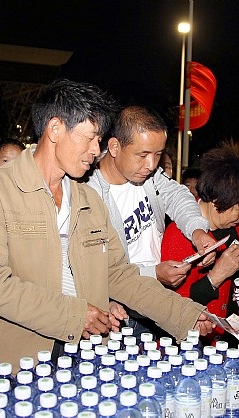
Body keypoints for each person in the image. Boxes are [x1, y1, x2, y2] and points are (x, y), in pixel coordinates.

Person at [0, 79, 213, 373]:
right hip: (15, 363)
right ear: (55, 129)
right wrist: (73, 315)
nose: (97, 150)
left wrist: (185, 315)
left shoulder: (89, 199)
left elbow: (119, 274)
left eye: (99, 139)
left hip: (86, 360)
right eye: (91, 138)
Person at [86, 105, 214, 337]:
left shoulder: (149, 177)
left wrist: (197, 231)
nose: (152, 165)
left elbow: (177, 195)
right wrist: (153, 273)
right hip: (120, 311)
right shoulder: (89, 193)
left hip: (159, 301)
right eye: (143, 155)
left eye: (158, 154)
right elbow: (99, 268)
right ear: (114, 147)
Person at [160, 143, 239, 343]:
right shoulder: (178, 234)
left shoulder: (235, 227)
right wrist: (216, 276)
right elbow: (170, 305)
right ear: (217, 199)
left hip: (224, 338)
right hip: (186, 341)